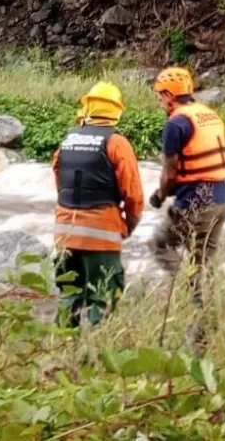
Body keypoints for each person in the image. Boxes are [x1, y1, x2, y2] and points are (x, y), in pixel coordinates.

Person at [52, 82, 144, 328]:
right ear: (117, 111)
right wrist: (128, 225)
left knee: (68, 294)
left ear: (88, 106)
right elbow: (133, 194)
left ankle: (59, 350)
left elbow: (60, 181)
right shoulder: (117, 143)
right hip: (102, 234)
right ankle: (96, 354)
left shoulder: (67, 141)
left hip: (64, 233)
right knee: (102, 295)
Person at [148, 67, 225, 310]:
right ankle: (206, 311)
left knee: (160, 244)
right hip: (221, 201)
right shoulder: (208, 114)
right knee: (203, 259)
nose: (159, 101)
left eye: (159, 96)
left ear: (168, 95)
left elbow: (170, 172)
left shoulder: (175, 124)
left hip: (195, 205)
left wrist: (160, 196)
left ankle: (190, 295)